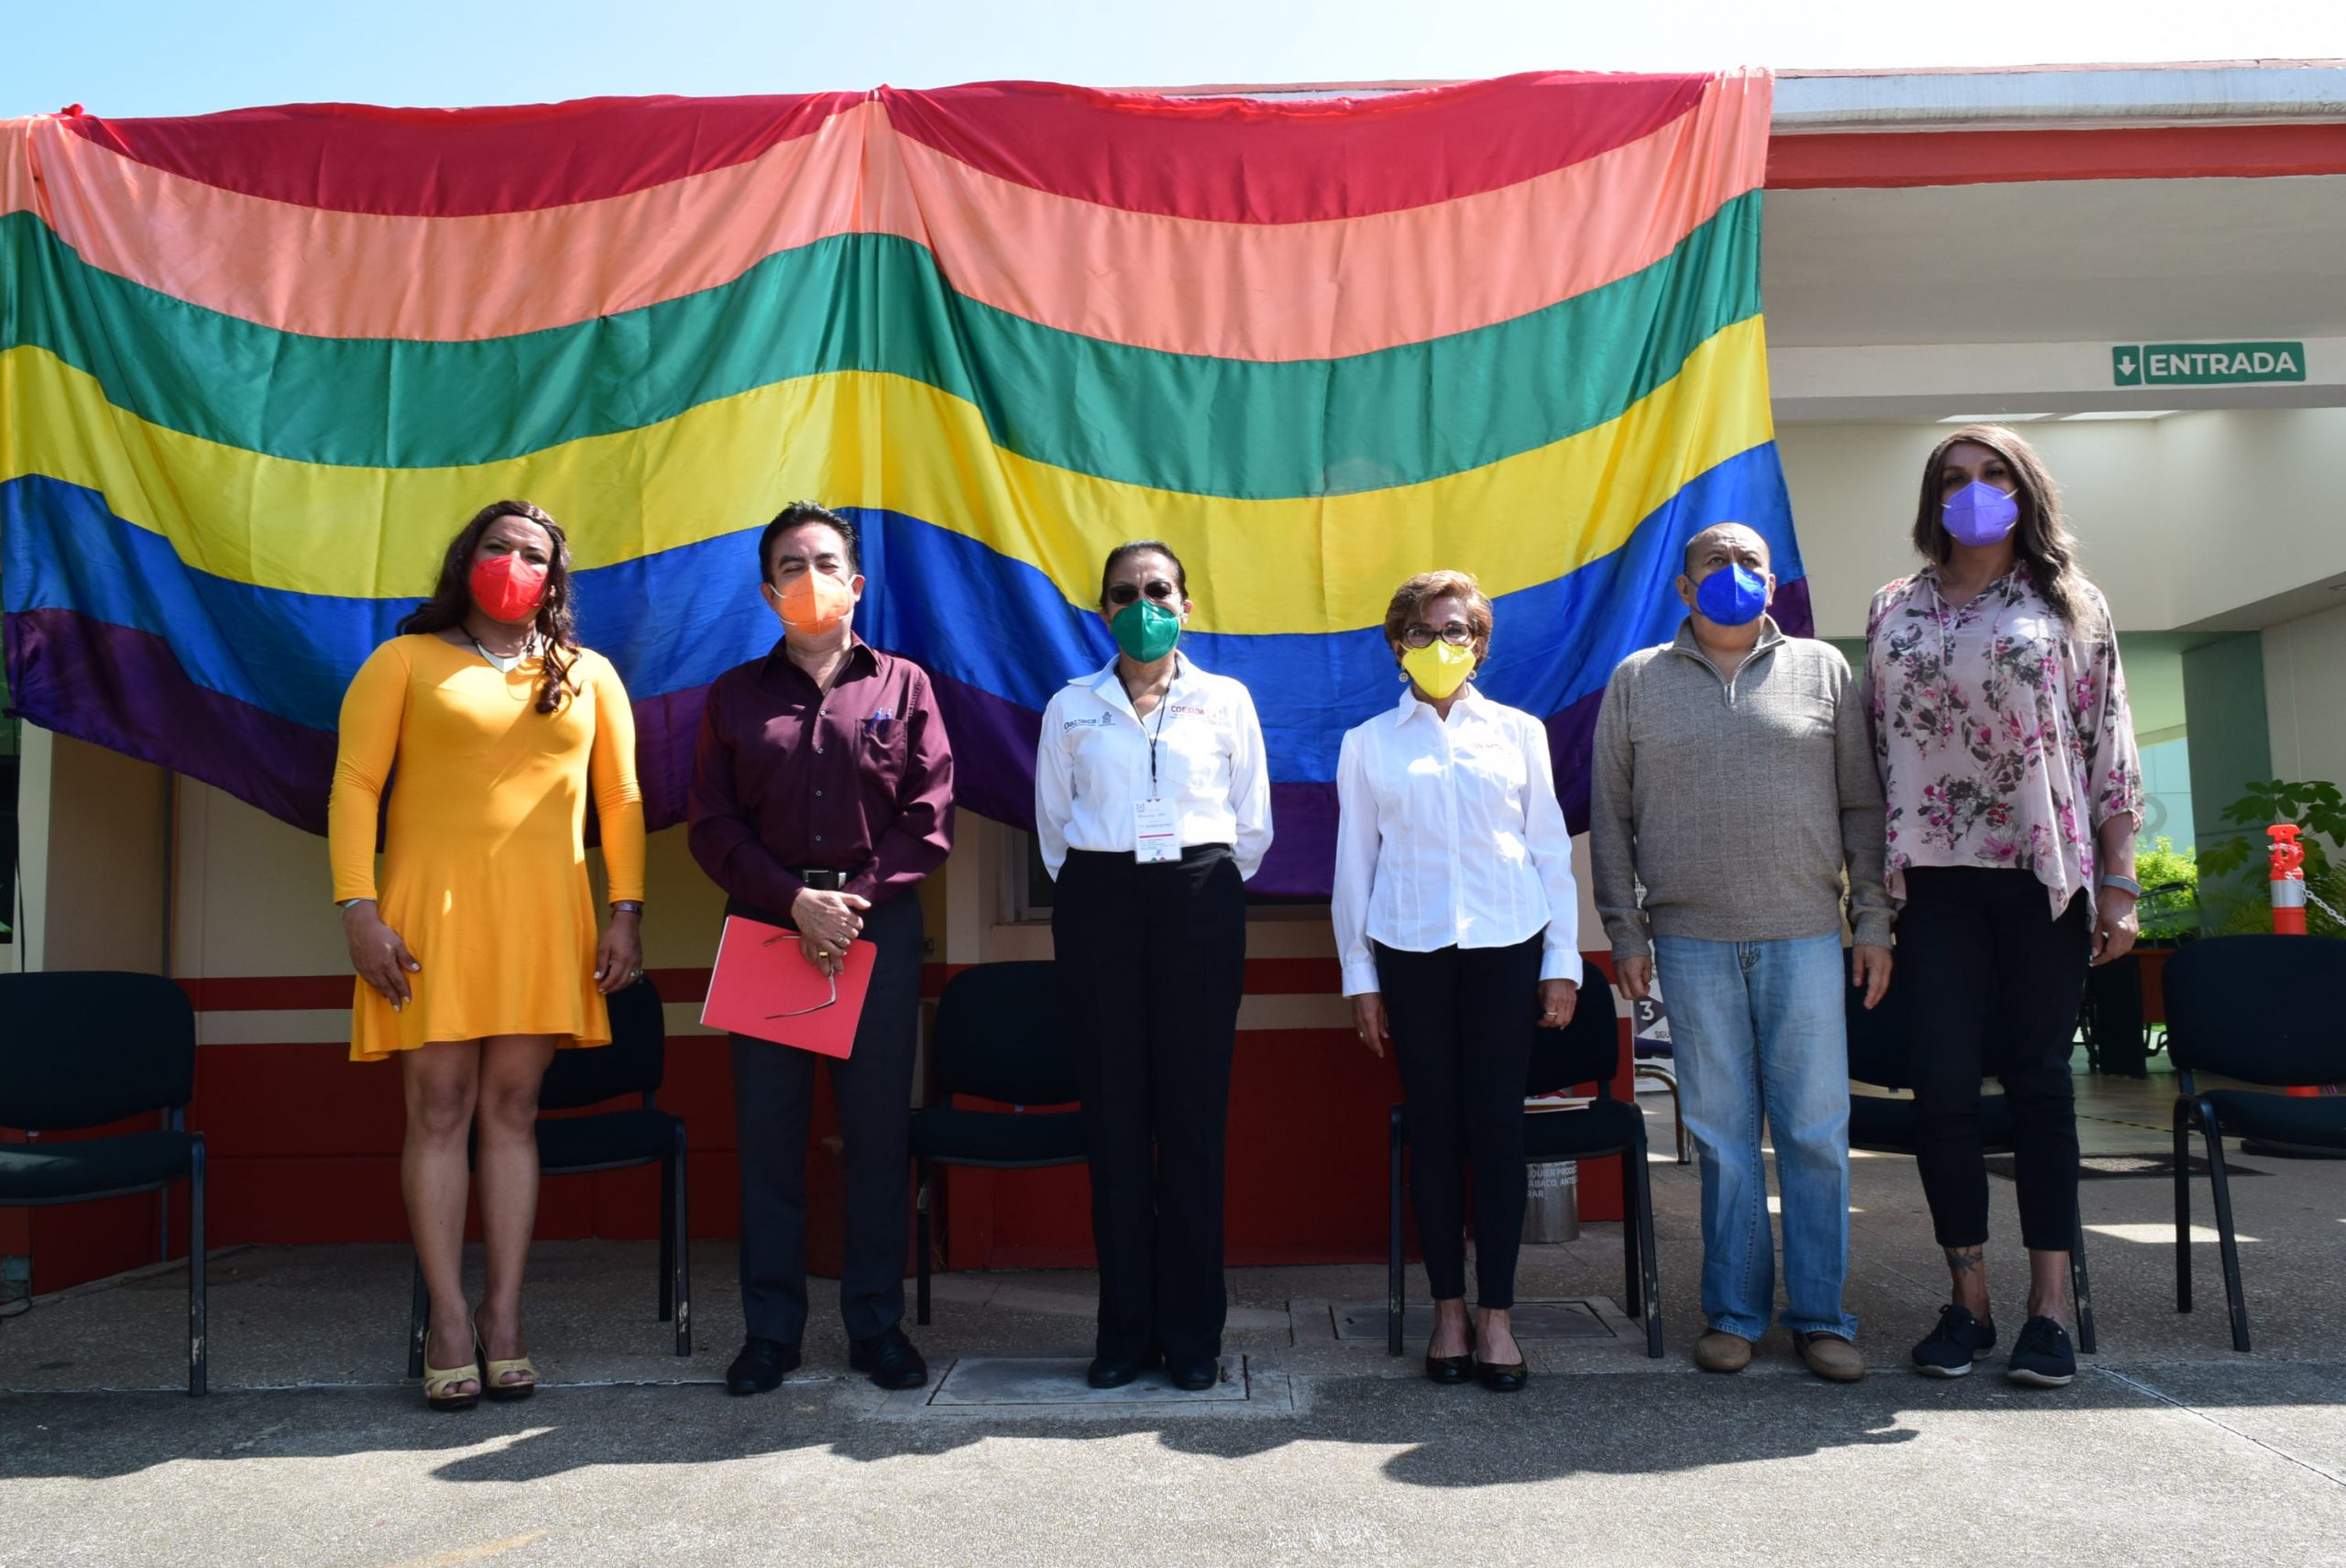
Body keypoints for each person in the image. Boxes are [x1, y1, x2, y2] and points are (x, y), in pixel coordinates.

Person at [329, 499, 647, 1411]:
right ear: (465, 557)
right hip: (426, 916)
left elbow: (620, 800)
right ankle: (449, 1318)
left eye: (534, 553)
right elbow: (355, 787)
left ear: (555, 578)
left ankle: (505, 1316)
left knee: (513, 1106)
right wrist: (358, 907)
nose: (515, 562)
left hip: (547, 918)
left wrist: (624, 910)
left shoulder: (588, 673)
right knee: (438, 1105)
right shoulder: (401, 662)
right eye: (498, 546)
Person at [1867, 424, 2143, 1388]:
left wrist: (2119, 881)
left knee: (2038, 1084)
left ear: (2025, 492)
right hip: (1933, 878)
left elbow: (2109, 745)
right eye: (1954, 476)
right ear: (1930, 496)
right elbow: (1871, 751)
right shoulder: (1891, 609)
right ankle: (1968, 1300)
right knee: (1940, 1089)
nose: (1973, 490)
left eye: (1992, 475)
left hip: (2043, 874)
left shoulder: (2069, 604)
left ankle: (2049, 1309)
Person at [1589, 523, 1892, 1384]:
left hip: (1804, 935)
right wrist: (1626, 930)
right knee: (1721, 1137)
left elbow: (1863, 808)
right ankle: (1733, 1312)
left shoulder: (1823, 671)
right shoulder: (1638, 681)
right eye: (1714, 564)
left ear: (1773, 579)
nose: (1733, 575)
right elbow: (1611, 816)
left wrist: (1871, 920)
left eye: (1749, 562)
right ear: (1684, 590)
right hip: (1689, 942)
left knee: (1815, 1133)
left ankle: (1824, 1315)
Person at [688, 501, 954, 1397]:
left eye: (826, 561)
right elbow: (712, 825)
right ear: (769, 592)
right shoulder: (733, 697)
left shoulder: (905, 686)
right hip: (767, 924)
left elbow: (929, 815)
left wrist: (852, 901)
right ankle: (771, 1331)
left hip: (876, 926)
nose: (811, 577)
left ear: (856, 583)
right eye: (791, 565)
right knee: (768, 1140)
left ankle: (876, 1327)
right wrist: (793, 899)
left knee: (877, 1137)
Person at [1332, 570, 1580, 1393]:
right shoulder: (1370, 741)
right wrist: (1360, 978)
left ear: (1479, 640)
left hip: (1507, 946)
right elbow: (1354, 869)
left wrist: (1561, 961)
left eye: (1458, 631)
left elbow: (1549, 850)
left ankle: (1498, 1316)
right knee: (1436, 1130)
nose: (1443, 646)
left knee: (1497, 1131)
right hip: (1410, 951)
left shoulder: (1518, 732)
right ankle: (1447, 1309)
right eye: (1425, 632)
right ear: (1399, 643)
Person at [1036, 541, 1271, 1392]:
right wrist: (1114, 888)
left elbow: (1252, 827)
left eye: (1159, 589)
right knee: (1116, 1126)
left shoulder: (1227, 701)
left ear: (1187, 603)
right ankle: (1123, 1332)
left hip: (1202, 902)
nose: (1145, 603)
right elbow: (1055, 831)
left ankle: (1192, 1336)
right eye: (1126, 593)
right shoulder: (1071, 707)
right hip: (1099, 903)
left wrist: (1190, 888)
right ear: (1104, 611)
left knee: (1194, 1127)